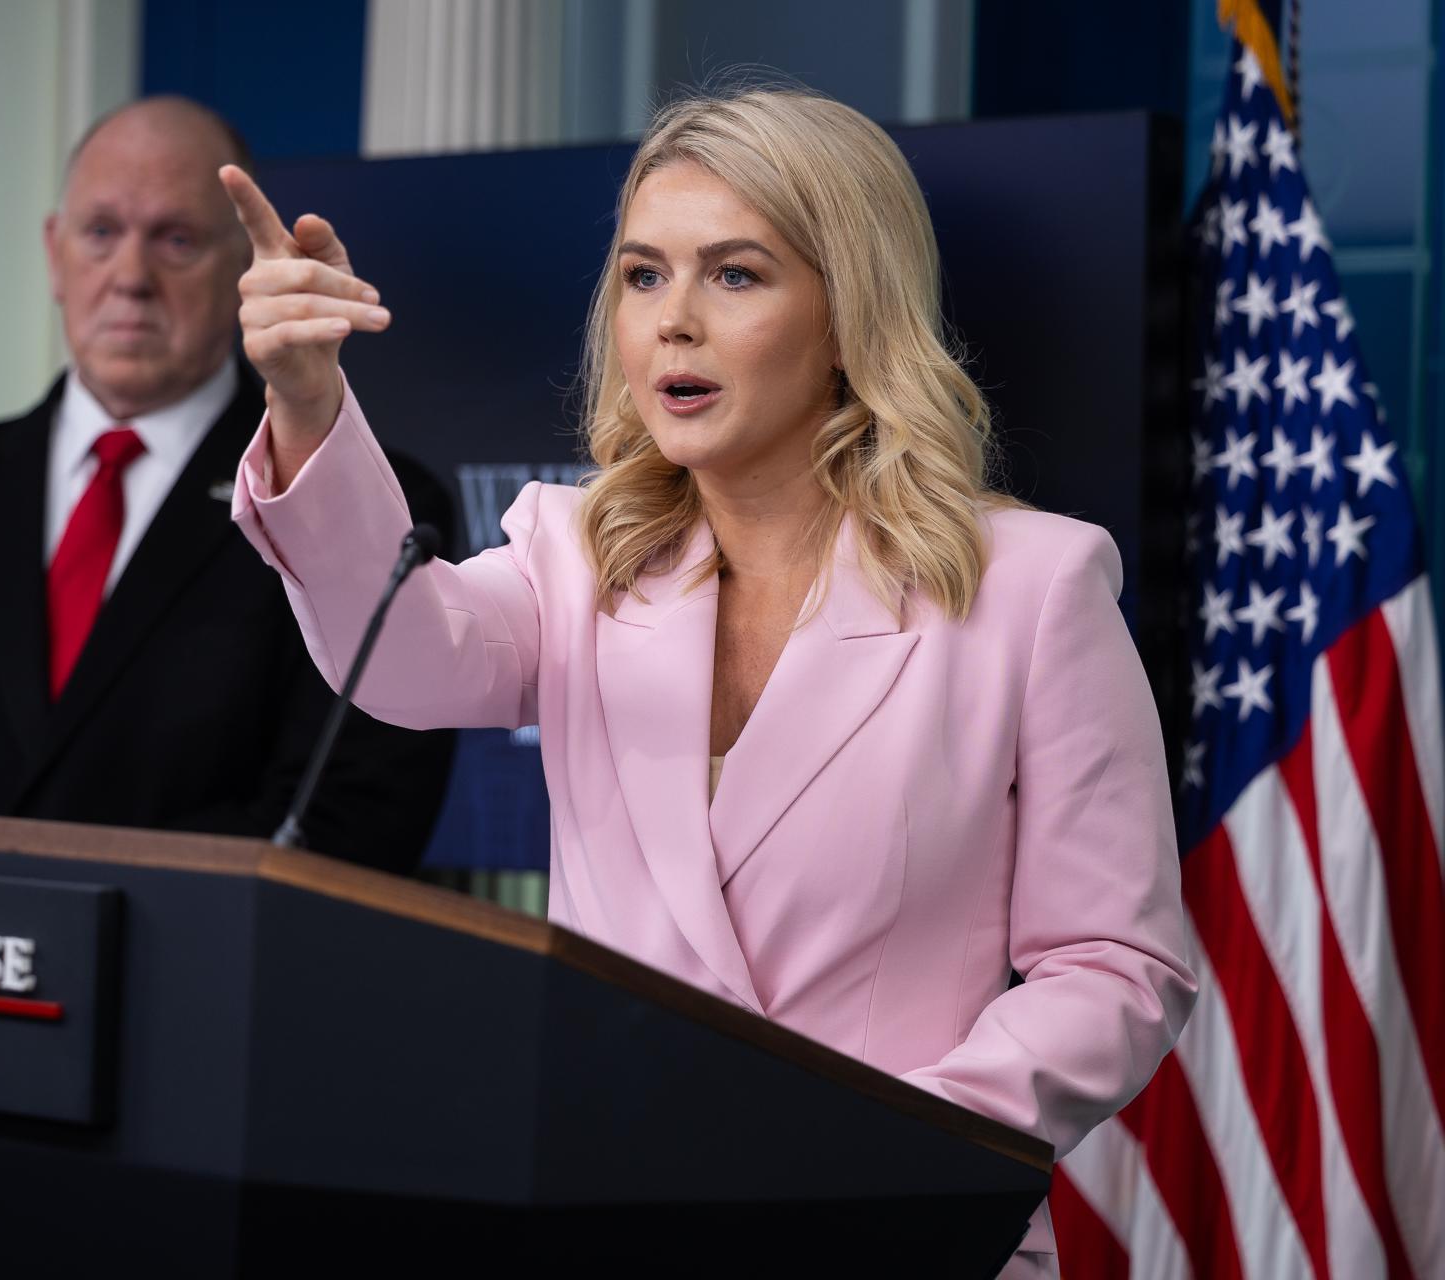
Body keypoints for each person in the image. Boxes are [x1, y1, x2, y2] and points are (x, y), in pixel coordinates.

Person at [221, 88, 1196, 1275]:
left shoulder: (1030, 585)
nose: (674, 321)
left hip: (891, 1229)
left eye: (735, 274)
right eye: (644, 275)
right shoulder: (572, 556)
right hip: (611, 1226)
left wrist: (901, 1141)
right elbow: (405, 662)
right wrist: (307, 396)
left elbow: (1116, 966)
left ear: (849, 313)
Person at [0, 98, 455, 874]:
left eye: (176, 240)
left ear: (245, 269)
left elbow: (350, 818)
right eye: (101, 233)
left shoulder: (350, 502)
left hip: (196, 952)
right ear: (55, 254)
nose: (131, 278)